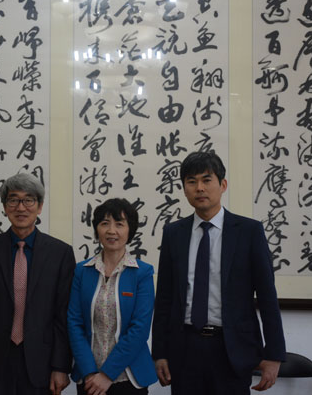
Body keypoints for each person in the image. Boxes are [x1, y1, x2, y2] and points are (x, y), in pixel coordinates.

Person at [152, 151, 286, 394]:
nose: (199, 188)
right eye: (191, 182)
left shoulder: (249, 231)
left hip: (232, 349)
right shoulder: (174, 233)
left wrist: (274, 355)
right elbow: (164, 298)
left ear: (223, 185)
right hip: (185, 348)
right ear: (184, 189)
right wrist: (159, 352)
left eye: (207, 180)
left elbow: (267, 297)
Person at [0, 172, 75, 395]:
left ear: (39, 207)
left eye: (29, 200)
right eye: (13, 200)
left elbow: (63, 314)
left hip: (42, 365)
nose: (21, 208)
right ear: (5, 207)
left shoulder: (60, 253)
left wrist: (60, 366)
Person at [67, 198, 158, 395]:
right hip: (89, 378)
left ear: (130, 230)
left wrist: (107, 374)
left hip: (129, 377)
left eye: (119, 224)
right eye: (105, 223)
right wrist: (90, 372)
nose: (111, 231)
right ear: (97, 229)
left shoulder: (142, 273)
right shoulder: (82, 271)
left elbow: (140, 329)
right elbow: (74, 323)